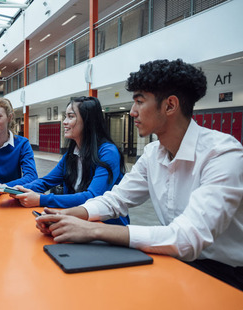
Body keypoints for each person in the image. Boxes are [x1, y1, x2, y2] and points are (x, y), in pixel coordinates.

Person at [35, 59, 243, 290]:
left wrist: (93, 229)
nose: (132, 112)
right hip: (175, 262)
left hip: (228, 276)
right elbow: (117, 199)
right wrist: (70, 214)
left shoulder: (222, 154)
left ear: (170, 106)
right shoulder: (153, 153)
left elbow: (187, 238)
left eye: (139, 102)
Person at [13, 96, 129, 226]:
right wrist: (13, 190)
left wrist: (40, 199)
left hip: (107, 227)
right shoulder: (71, 154)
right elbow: (45, 182)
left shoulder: (108, 153)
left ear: (88, 121)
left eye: (71, 116)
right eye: (65, 116)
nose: (64, 122)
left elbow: (92, 197)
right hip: (77, 223)